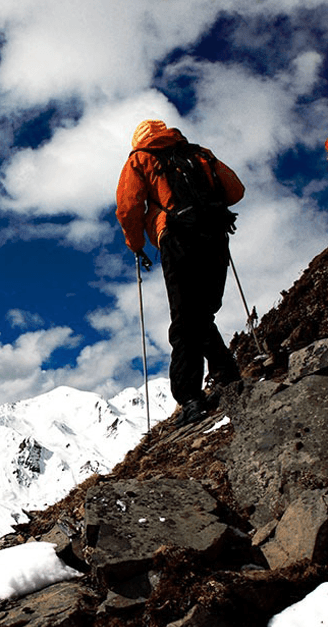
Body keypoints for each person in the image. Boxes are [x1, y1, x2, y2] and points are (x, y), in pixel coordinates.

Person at [116, 119, 245, 426]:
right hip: (215, 234)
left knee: (186, 317)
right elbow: (235, 190)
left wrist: (136, 244)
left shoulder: (140, 159)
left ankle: (190, 399)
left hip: (177, 238)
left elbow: (128, 207)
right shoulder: (199, 153)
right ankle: (227, 374)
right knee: (202, 312)